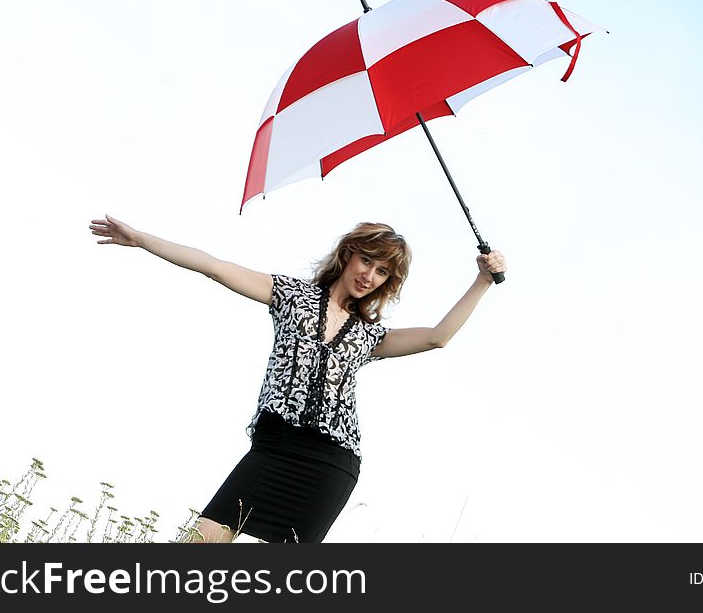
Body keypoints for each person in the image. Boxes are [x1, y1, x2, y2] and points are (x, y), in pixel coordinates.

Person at [89, 214, 506, 543]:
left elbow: (437, 337)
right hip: (273, 448)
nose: (369, 276)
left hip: (331, 463)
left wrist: (482, 281)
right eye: (366, 261)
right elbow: (215, 267)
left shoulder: (370, 336)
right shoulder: (291, 296)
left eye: (382, 272)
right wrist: (142, 240)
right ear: (348, 255)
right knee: (203, 543)